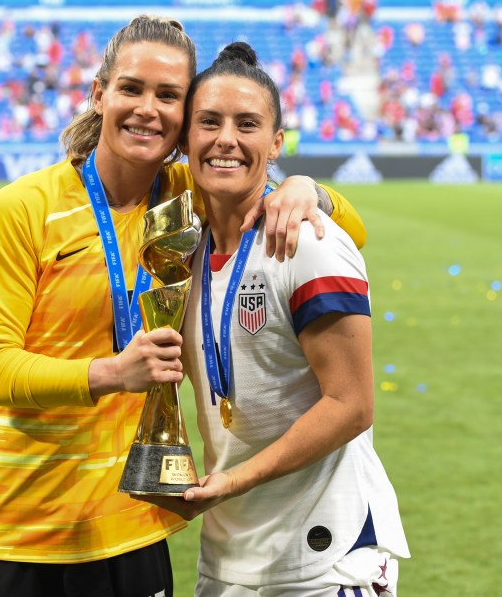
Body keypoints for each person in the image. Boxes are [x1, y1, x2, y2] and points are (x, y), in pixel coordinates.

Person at [0, 16, 368, 597]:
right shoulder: (22, 210)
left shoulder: (187, 196)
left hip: (135, 531)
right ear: (99, 95)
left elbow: (351, 228)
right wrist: (114, 373)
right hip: (19, 529)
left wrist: (302, 188)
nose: (148, 108)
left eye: (168, 95)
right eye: (131, 88)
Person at [139, 42, 410, 596]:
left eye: (248, 124)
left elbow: (352, 404)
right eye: (208, 122)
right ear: (186, 139)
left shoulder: (308, 245)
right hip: (228, 557)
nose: (226, 140)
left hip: (325, 558)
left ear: (277, 142)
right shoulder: (178, 255)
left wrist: (231, 482)